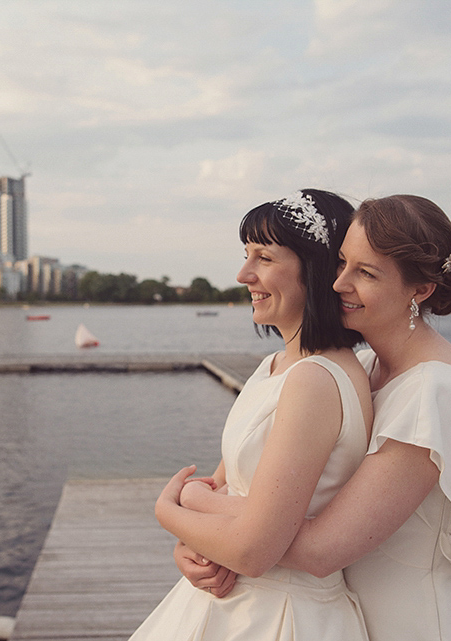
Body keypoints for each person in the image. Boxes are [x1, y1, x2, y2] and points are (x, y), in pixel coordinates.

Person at [178, 194, 451, 641]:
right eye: (341, 263)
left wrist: (190, 503)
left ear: (421, 290)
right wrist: (202, 544)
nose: (338, 284)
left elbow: (315, 550)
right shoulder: (367, 369)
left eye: (365, 273)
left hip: (416, 626)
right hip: (347, 619)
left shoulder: (436, 393)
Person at [129, 189, 374, 641]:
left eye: (263, 257)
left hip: (277, 614)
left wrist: (168, 510)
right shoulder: (276, 367)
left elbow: (254, 549)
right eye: (246, 255)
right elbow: (221, 486)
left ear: (315, 269)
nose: (244, 275)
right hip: (235, 599)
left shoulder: (316, 379)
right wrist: (190, 547)